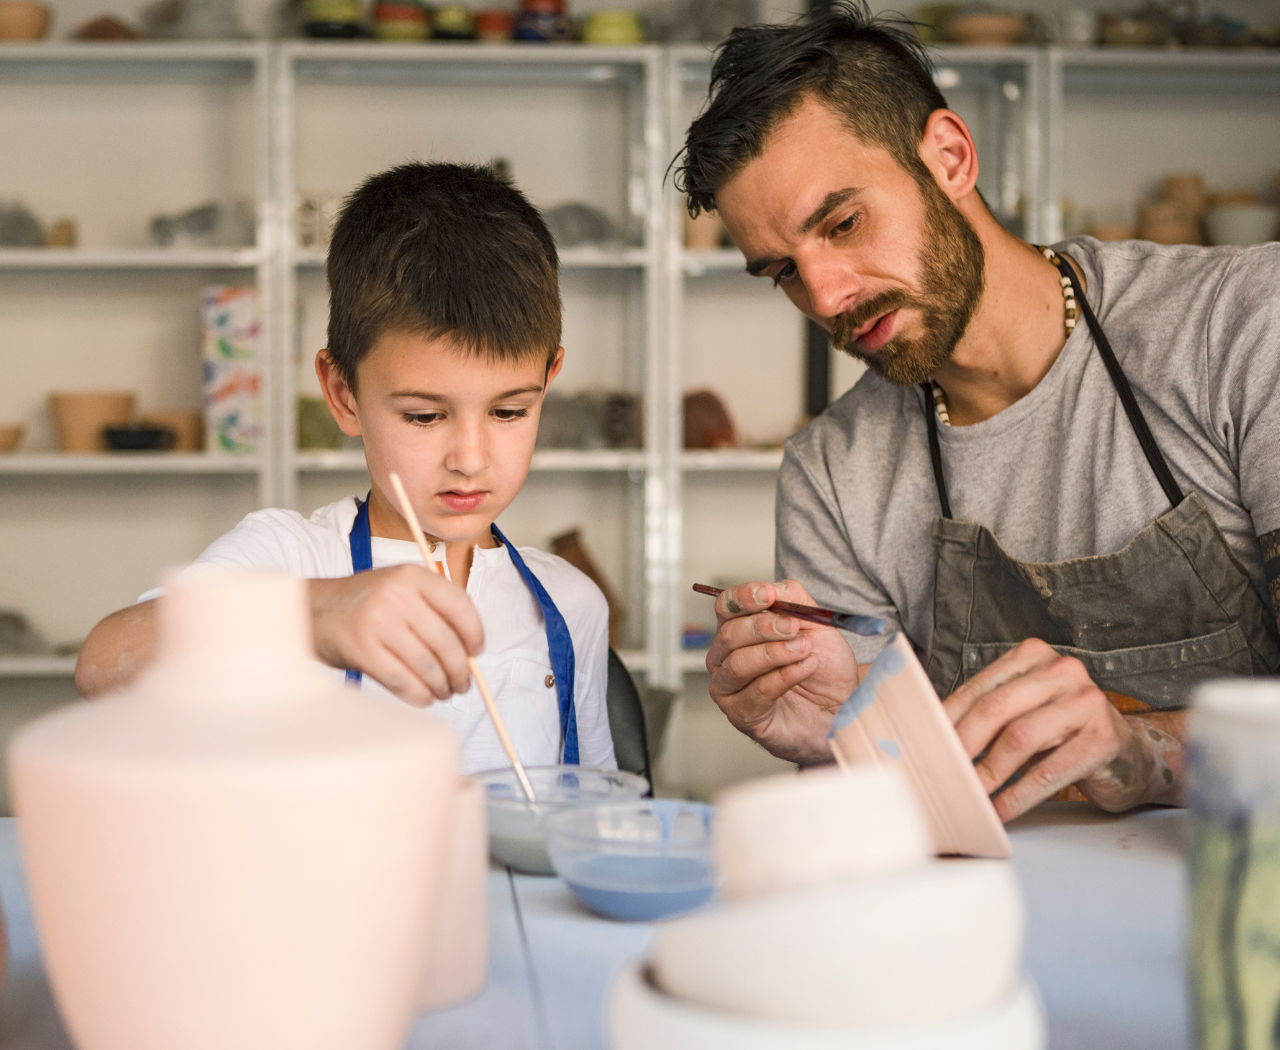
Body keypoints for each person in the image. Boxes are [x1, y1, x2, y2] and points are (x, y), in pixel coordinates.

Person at [674, 2, 1280, 821]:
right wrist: (839, 740)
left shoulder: (1238, 326)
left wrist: (1150, 752)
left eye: (845, 223)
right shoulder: (834, 474)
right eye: (782, 270)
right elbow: (887, 829)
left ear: (950, 157)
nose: (824, 296)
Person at [77, 161, 617, 775]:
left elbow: (595, 812)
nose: (470, 459)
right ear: (343, 393)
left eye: (510, 410)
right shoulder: (291, 558)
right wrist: (316, 615)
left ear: (549, 381)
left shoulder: (571, 608)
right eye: (423, 416)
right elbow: (104, 664)